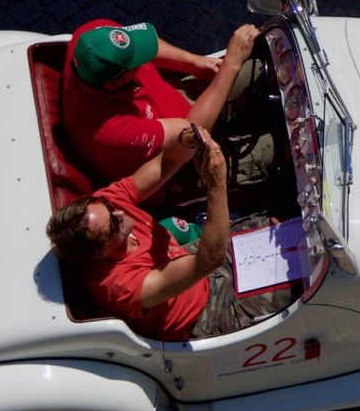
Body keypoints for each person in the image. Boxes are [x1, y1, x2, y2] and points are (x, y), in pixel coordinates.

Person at [44, 128, 293, 340]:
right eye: (112, 226)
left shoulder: (106, 206)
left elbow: (165, 163)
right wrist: (216, 184)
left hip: (192, 263)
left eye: (111, 209)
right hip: (210, 312)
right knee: (302, 277)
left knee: (282, 231)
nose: (120, 214)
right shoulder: (120, 287)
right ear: (99, 253)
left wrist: (185, 143)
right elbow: (208, 261)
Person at [59, 16, 262, 193]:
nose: (143, 57)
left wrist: (194, 62)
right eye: (136, 61)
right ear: (114, 83)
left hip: (179, 98)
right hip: (184, 163)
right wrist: (232, 64)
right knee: (270, 151)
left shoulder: (92, 39)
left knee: (258, 70)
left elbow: (148, 46)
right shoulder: (108, 131)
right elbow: (192, 132)